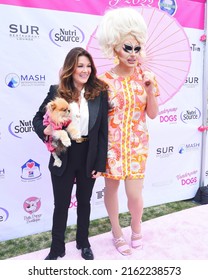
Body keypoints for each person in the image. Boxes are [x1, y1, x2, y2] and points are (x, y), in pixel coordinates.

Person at [32, 47, 108, 260]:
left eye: (88, 66)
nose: (85, 70)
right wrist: (45, 130)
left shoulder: (100, 93)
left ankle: (83, 243)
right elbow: (37, 120)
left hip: (88, 154)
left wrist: (100, 164)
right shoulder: (56, 91)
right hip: (64, 152)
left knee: (84, 202)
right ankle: (57, 247)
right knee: (61, 204)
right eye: (80, 66)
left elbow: (103, 131)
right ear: (70, 69)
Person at [96, 7, 159, 256]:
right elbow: (98, 118)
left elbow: (152, 114)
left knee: (134, 194)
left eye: (137, 48)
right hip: (111, 147)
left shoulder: (148, 77)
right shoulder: (103, 81)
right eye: (127, 48)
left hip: (136, 146)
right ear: (115, 48)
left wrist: (150, 90)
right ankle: (116, 232)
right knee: (111, 190)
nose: (133, 54)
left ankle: (136, 226)